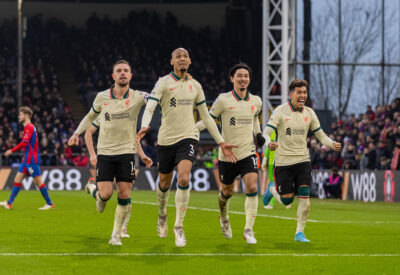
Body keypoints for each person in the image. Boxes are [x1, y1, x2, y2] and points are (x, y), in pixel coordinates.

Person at [137, 48, 237, 247]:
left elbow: (206, 117)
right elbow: (150, 106)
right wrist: (144, 125)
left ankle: (179, 227)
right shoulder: (163, 82)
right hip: (166, 140)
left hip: (188, 137)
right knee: (164, 183)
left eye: (185, 56)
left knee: (183, 177)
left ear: (190, 61)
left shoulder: (196, 86)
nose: (182, 59)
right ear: (171, 61)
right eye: (178, 56)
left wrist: (221, 142)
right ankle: (162, 212)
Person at [68, 59, 151, 245]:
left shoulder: (138, 97)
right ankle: (93, 189)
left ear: (130, 75)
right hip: (105, 153)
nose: (122, 73)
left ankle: (116, 235)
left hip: (126, 153)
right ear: (113, 76)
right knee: (105, 194)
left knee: (124, 193)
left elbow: (156, 98)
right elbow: (89, 118)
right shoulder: (102, 97)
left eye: (126, 71)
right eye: (119, 71)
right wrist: (76, 133)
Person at [262, 79, 341, 242]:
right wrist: (268, 143)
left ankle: (300, 233)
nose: (302, 95)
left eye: (304, 92)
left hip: (303, 161)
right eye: (299, 92)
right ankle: (272, 190)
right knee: (287, 200)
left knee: (305, 197)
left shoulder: (310, 113)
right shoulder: (280, 111)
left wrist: (331, 143)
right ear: (291, 94)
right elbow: (266, 132)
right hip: (283, 162)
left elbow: (320, 134)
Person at [196, 63, 264, 244]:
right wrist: (193, 130)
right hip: (227, 154)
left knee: (252, 187)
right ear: (232, 78)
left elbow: (255, 118)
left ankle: (249, 230)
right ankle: (224, 216)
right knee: (227, 191)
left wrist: (258, 134)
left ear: (249, 79)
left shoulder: (256, 101)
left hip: (248, 151)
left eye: (246, 76)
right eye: (239, 76)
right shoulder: (223, 100)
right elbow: (209, 119)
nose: (243, 79)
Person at [84, 119, 153, 239]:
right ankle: (93, 188)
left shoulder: (128, 114)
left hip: (126, 156)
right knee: (105, 195)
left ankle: (123, 229)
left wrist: (142, 156)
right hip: (107, 156)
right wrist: (92, 153)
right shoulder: (105, 110)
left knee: (126, 191)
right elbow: (89, 130)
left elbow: (135, 139)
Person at [0, 106, 54, 210]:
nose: (18, 117)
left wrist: (11, 150)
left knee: (37, 181)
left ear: (26, 115)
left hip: (31, 160)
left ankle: (50, 203)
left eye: (20, 115)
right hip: (27, 159)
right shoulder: (28, 128)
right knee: (18, 178)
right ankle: (9, 203)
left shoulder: (29, 127)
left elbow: (24, 143)